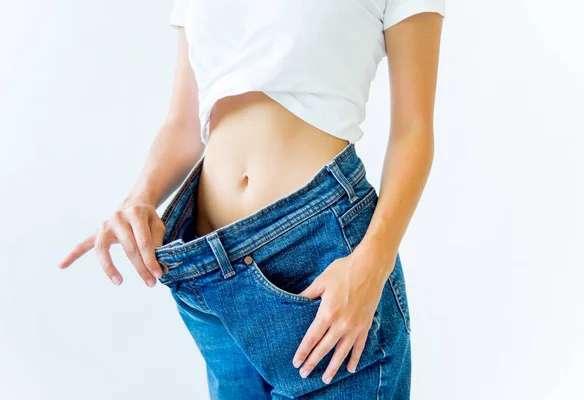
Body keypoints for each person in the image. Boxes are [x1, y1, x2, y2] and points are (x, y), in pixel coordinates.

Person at [58, 0, 445, 398]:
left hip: (321, 264)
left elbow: (413, 129)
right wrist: (139, 199)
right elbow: (186, 122)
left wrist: (373, 263)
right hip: (205, 276)